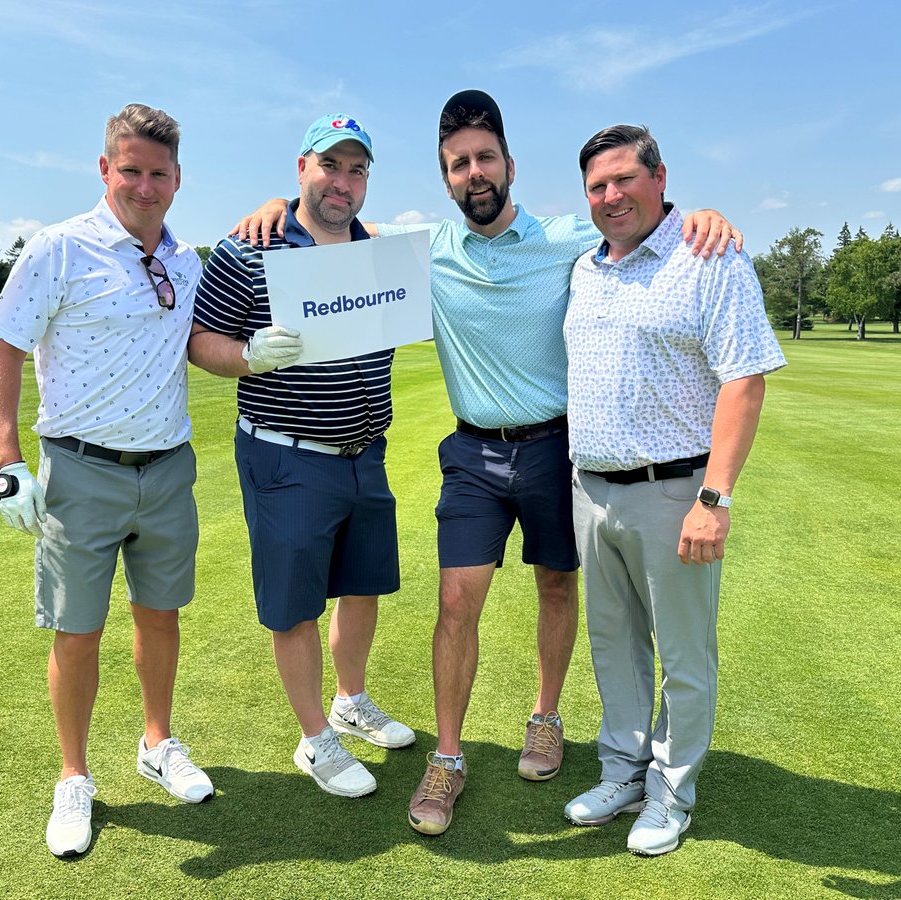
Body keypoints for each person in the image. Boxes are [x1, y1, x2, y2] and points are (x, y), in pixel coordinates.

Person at [232, 90, 741, 836]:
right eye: (458, 163)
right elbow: (335, 223)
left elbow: (634, 223)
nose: (474, 172)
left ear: (509, 164)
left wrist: (695, 212)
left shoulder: (569, 237)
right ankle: (448, 756)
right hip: (472, 452)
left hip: (559, 450)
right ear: (445, 179)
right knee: (456, 603)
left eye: (484, 158)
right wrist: (280, 201)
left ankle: (546, 717)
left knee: (558, 588)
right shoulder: (423, 250)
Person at [0, 103, 212, 859]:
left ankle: (156, 742)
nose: (146, 186)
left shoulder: (185, 259)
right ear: (105, 169)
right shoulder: (60, 248)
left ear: (178, 179)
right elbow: (2, 347)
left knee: (161, 617)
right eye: (132, 170)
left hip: (168, 467)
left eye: (160, 174)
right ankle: (74, 776)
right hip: (82, 469)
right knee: (77, 632)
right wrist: (6, 460)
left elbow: (200, 340)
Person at [562, 124, 785, 856]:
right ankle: (623, 770)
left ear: (660, 179)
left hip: (676, 490)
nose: (611, 195)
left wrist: (714, 498)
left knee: (684, 656)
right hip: (590, 489)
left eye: (624, 179)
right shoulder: (585, 265)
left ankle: (671, 792)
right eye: (598, 185)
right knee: (614, 644)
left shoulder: (709, 255)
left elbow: (743, 380)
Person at [187, 114, 414, 800]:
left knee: (364, 583)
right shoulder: (245, 247)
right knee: (294, 604)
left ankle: (350, 699)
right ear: (301, 168)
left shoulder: (376, 247)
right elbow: (202, 340)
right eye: (331, 167)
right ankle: (316, 738)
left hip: (363, 451)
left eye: (357, 171)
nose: (343, 182)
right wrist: (249, 357)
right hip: (286, 455)